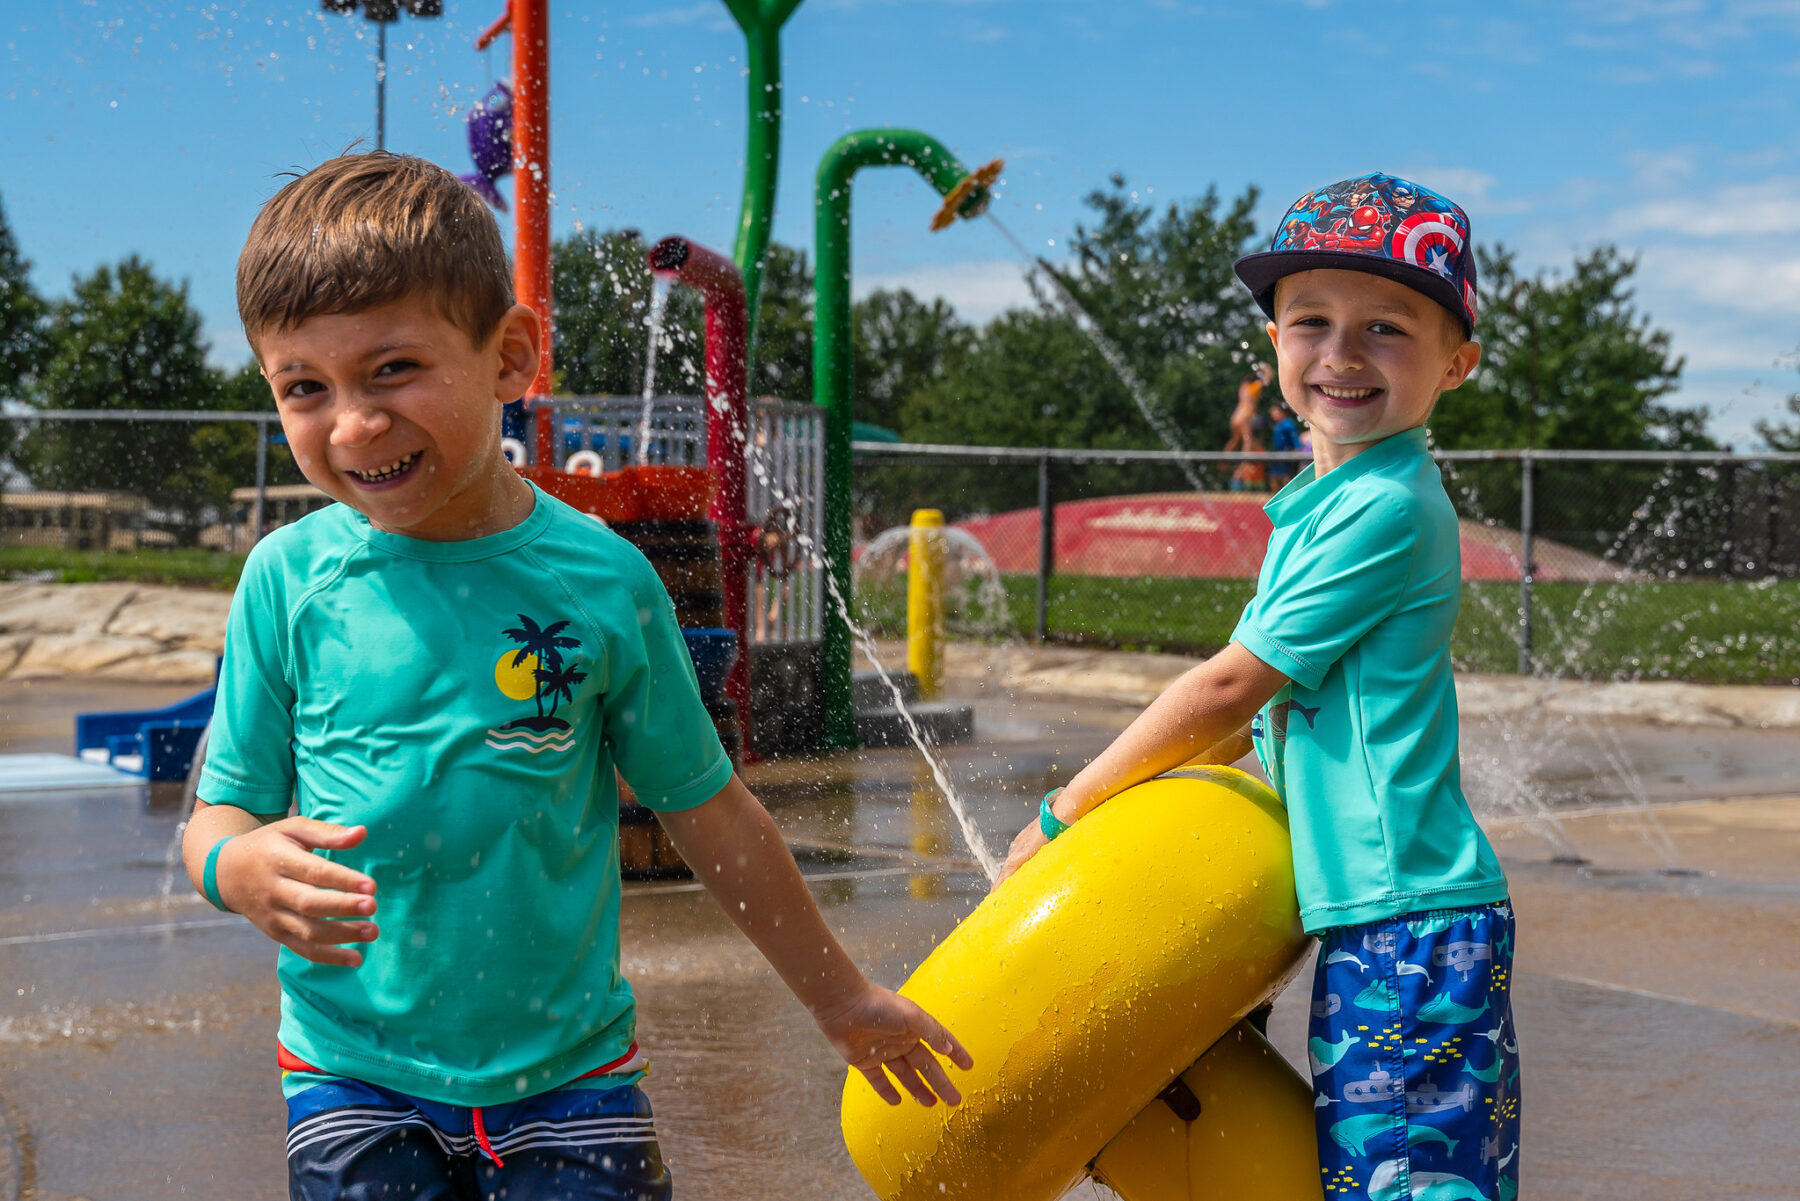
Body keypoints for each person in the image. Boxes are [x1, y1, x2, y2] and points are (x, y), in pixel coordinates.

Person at [183, 152, 970, 1201]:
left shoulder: (602, 581)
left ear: (510, 357)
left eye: (394, 370)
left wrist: (839, 997)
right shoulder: (288, 580)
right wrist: (232, 867)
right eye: (304, 388)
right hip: (349, 1071)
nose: (354, 424)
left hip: (570, 1082)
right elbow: (218, 809)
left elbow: (713, 814)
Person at [997, 173, 1517, 1201]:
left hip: (1406, 922)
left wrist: (1068, 813)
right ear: (1273, 344)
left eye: (1387, 328)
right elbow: (1254, 727)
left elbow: (1230, 692)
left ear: (1458, 363)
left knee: (1406, 1180)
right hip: (1378, 915)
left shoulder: (1386, 508)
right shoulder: (1325, 505)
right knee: (1385, 1170)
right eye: (1310, 321)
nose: (1342, 354)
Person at [1226, 362, 1270, 491]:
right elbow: (1267, 379)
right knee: (1247, 443)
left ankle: (1223, 460)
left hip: (1236, 416)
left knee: (1235, 440)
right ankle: (1239, 473)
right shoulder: (1253, 387)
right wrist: (1266, 368)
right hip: (1245, 416)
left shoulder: (1243, 387)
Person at [1266, 399, 1301, 491]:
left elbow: (1295, 438)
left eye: (1275, 411)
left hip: (1286, 453)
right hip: (1278, 453)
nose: (1272, 413)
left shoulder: (1288, 424)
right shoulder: (1278, 424)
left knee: (1285, 476)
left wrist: (1297, 449)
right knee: (1273, 476)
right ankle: (1276, 497)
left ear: (1282, 412)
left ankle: (1288, 496)